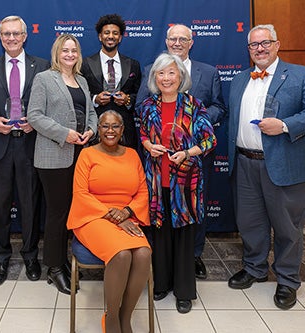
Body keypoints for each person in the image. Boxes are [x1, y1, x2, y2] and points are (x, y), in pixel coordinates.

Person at [227, 24, 305, 310]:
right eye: (254, 45)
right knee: (250, 223)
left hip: (286, 165)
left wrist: (284, 125)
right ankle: (255, 268)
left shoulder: (301, 74)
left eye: (265, 43)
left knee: (287, 226)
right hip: (245, 162)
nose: (259, 49)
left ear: (277, 45)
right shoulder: (238, 79)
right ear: (248, 49)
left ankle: (287, 280)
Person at [136, 24, 226, 279]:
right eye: (173, 38)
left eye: (182, 39)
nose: (177, 42)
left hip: (191, 161)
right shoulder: (149, 73)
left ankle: (193, 257)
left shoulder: (207, 74)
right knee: (160, 218)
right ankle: (162, 273)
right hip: (158, 167)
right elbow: (141, 111)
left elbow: (219, 107)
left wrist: (195, 121)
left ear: (191, 41)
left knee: (190, 213)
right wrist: (146, 143)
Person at [0, 15, 49, 286]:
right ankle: (0, 258)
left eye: (16, 34)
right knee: (0, 206)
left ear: (25, 36)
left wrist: (36, 123)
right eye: (6, 34)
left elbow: (50, 103)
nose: (12, 38)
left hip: (30, 145)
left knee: (30, 205)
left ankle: (30, 256)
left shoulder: (42, 66)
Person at [139, 53, 216, 313]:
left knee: (183, 238)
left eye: (171, 73)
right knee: (160, 234)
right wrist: (149, 145)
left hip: (185, 183)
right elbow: (142, 134)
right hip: (156, 181)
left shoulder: (194, 105)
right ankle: (161, 284)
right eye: (161, 74)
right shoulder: (148, 105)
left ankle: (184, 292)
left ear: (181, 76)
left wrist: (186, 153)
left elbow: (209, 141)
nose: (166, 78)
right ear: (154, 78)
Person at [67, 110, 151, 333]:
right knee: (122, 254)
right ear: (99, 129)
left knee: (143, 254)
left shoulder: (133, 155)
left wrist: (126, 212)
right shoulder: (87, 155)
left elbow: (143, 191)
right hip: (92, 217)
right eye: (105, 126)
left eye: (115, 126)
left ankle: (126, 317)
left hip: (127, 214)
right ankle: (112, 318)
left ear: (122, 130)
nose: (110, 130)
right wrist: (112, 216)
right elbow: (81, 193)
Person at [27, 34, 97, 295]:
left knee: (72, 211)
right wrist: (63, 133)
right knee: (57, 213)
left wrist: (91, 130)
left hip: (80, 154)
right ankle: (54, 268)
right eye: (65, 50)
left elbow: (91, 112)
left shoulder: (81, 80)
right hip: (53, 155)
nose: (70, 54)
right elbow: (34, 116)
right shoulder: (44, 79)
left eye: (74, 50)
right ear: (57, 53)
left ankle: (63, 261)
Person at [81, 14, 142, 151]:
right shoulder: (85, 64)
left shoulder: (133, 64)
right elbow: (79, 94)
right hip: (95, 127)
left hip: (125, 130)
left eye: (115, 33)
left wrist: (127, 100)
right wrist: (95, 99)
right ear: (100, 36)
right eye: (106, 33)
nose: (110, 36)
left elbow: (139, 95)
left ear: (120, 38)